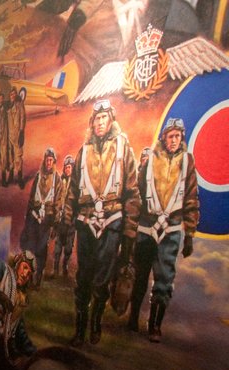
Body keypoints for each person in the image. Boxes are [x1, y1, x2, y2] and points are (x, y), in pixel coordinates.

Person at [64, 98, 139, 346]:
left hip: (112, 222)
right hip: (85, 223)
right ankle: (79, 329)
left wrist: (129, 232)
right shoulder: (83, 152)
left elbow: (132, 194)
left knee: (102, 280)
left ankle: (95, 325)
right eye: (97, 119)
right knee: (83, 277)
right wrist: (66, 219)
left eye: (104, 118)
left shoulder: (123, 149)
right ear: (92, 122)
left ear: (111, 121)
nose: (100, 122)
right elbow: (73, 191)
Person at [126, 118, 199, 342]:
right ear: (164, 138)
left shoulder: (187, 162)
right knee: (140, 275)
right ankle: (133, 317)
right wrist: (131, 230)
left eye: (178, 136)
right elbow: (136, 197)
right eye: (171, 136)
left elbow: (191, 199)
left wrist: (189, 235)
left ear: (182, 138)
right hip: (147, 226)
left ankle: (155, 326)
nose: (174, 140)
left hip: (172, 229)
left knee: (164, 278)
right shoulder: (149, 162)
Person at [19, 148, 59, 288]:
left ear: (54, 162)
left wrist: (55, 224)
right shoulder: (38, 176)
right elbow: (31, 198)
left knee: (41, 249)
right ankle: (27, 277)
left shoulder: (57, 179)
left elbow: (59, 203)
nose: (48, 163)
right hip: (34, 216)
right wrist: (29, 214)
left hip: (47, 219)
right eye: (46, 160)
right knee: (29, 246)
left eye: (50, 160)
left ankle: (38, 277)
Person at [50, 155, 76, 278]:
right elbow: (56, 197)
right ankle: (55, 268)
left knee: (69, 247)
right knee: (58, 246)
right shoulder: (60, 181)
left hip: (71, 220)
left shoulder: (77, 184)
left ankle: (65, 265)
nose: (67, 169)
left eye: (69, 167)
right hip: (60, 220)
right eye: (66, 167)